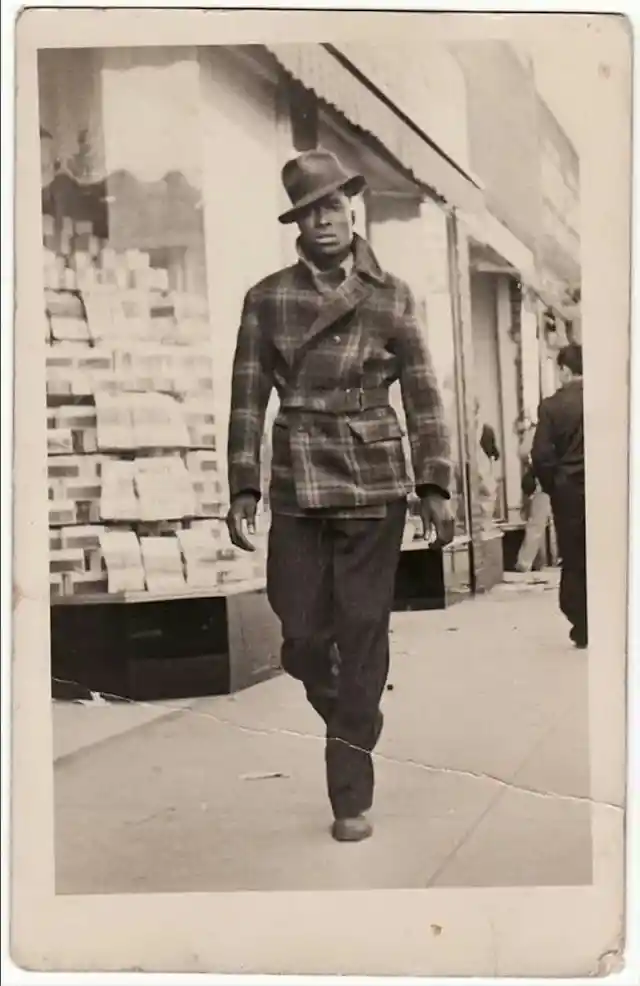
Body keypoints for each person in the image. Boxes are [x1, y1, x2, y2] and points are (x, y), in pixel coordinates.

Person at [226, 149, 454, 842]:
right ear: (295, 222)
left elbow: (422, 394)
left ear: (351, 207)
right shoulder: (267, 297)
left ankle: (348, 790)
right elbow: (246, 398)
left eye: (331, 206)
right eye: (307, 211)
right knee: (300, 637)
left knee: (361, 633)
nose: (322, 221)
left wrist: (436, 483)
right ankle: (358, 719)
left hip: (373, 479)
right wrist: (243, 483)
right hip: (298, 476)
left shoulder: (393, 293)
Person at [531, 343, 587, 648]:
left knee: (575, 555)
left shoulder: (552, 406)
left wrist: (555, 485)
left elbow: (541, 455)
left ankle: (582, 623)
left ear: (564, 369)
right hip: (606, 487)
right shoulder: (608, 399)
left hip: (569, 493)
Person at [515, 414, 551, 573]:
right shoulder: (541, 434)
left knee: (536, 522)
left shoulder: (533, 435)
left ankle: (525, 561)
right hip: (544, 481)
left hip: (540, 481)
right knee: (540, 521)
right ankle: (537, 560)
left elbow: (523, 453)